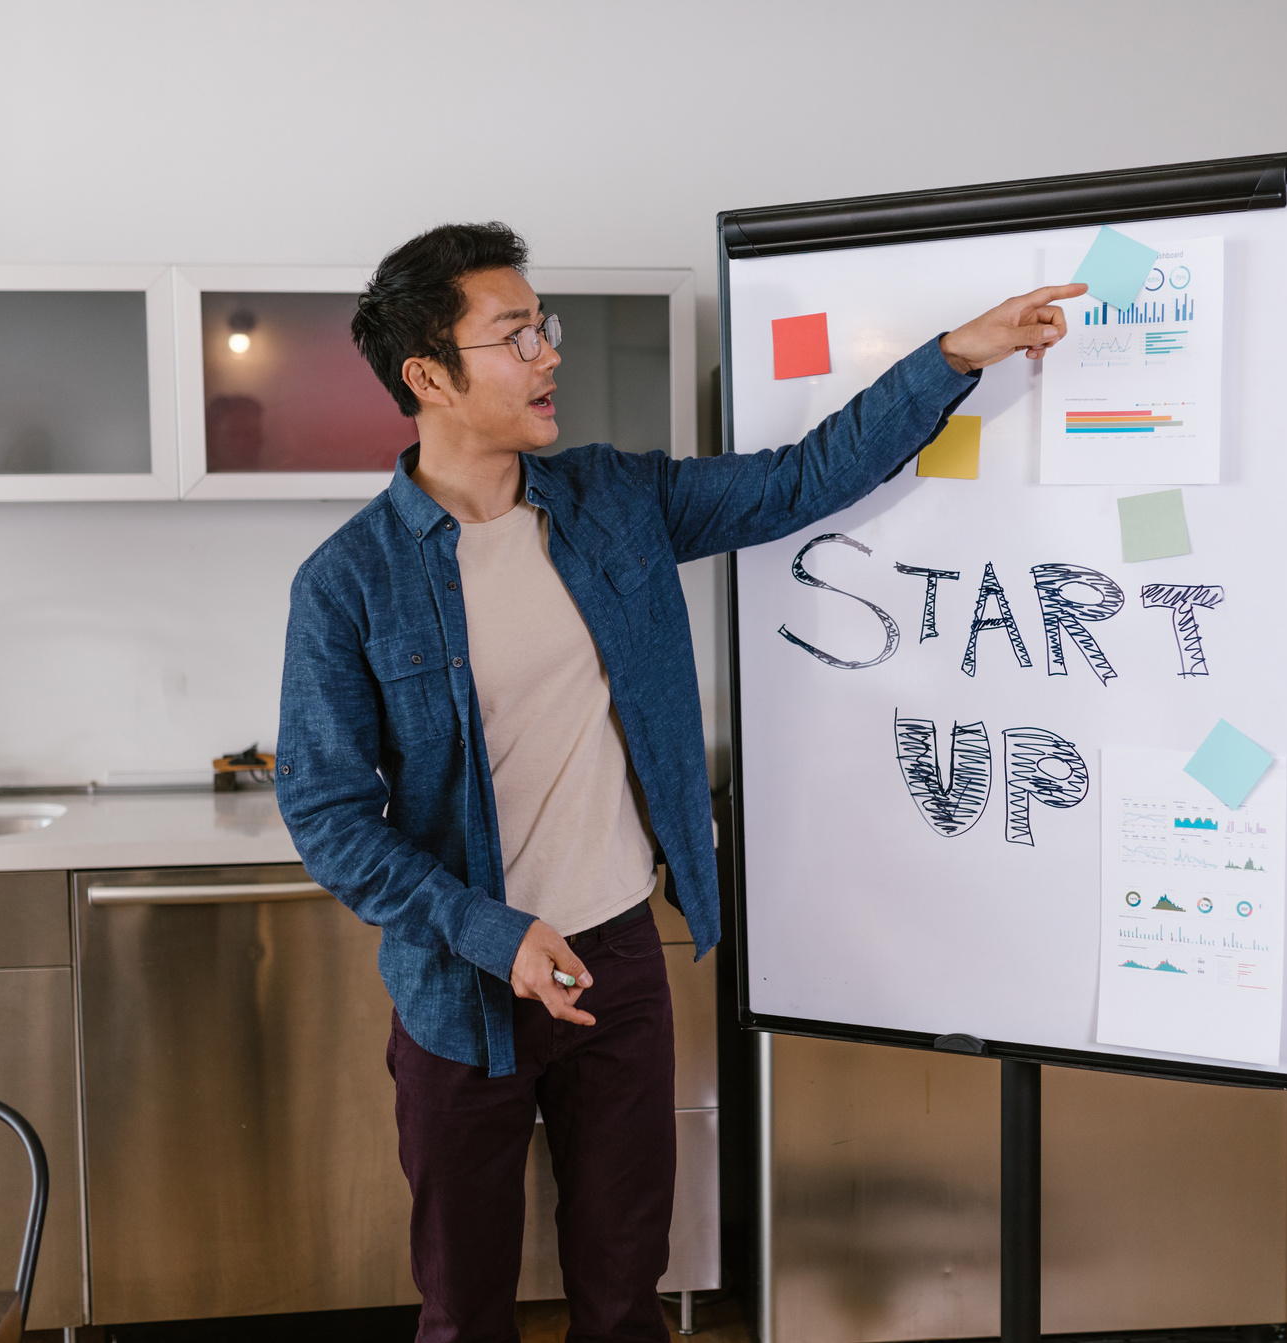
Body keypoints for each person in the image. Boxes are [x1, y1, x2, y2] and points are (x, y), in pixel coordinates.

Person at [275, 221, 1080, 1343]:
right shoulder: (348, 581)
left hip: (613, 956)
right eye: (515, 336)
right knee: (465, 1312)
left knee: (624, 1293)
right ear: (428, 375)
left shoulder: (612, 500)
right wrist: (488, 929)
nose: (549, 352)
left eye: (542, 325)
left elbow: (802, 479)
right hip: (463, 981)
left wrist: (953, 355)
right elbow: (323, 813)